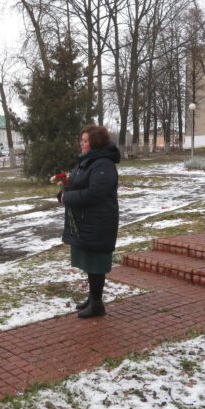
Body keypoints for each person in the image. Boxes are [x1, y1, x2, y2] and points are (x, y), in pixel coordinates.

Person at [59, 125, 120, 319]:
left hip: (99, 221)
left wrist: (68, 198)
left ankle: (97, 304)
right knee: (89, 262)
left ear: (94, 144)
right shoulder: (86, 162)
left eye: (85, 141)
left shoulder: (103, 164)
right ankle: (92, 298)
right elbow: (78, 184)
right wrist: (64, 191)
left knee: (96, 263)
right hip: (88, 221)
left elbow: (95, 193)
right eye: (82, 140)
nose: (82, 144)